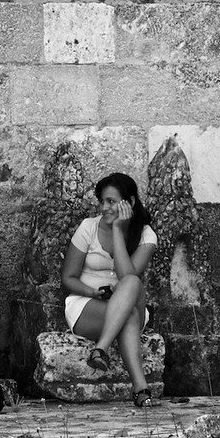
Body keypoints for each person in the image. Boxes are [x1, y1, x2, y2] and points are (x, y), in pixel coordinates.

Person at [61, 172, 158, 407]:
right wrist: (93, 293)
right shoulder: (88, 228)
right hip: (88, 305)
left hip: (127, 301)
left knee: (133, 282)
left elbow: (127, 277)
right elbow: (68, 278)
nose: (104, 207)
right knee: (130, 315)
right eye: (102, 201)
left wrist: (117, 230)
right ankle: (141, 389)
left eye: (111, 202)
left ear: (130, 203)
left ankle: (100, 349)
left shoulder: (146, 235)